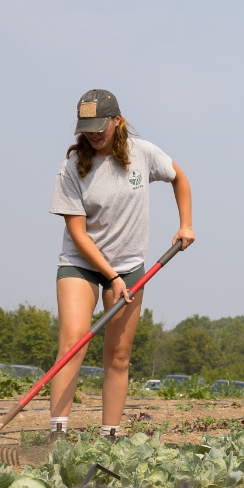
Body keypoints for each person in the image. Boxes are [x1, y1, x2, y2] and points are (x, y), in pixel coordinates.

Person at [47, 89, 194, 442]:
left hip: (129, 265)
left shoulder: (142, 154)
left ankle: (109, 437)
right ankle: (57, 437)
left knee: (118, 354)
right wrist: (110, 277)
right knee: (73, 343)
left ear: (117, 121)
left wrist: (185, 223)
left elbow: (180, 178)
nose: (94, 134)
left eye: (100, 125)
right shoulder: (72, 168)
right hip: (82, 263)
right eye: (87, 128)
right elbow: (78, 234)